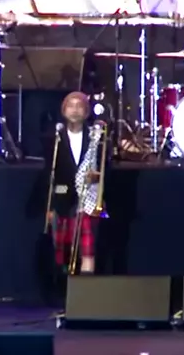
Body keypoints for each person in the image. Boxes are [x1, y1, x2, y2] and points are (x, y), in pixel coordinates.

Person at [45, 91, 104, 275]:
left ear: (86, 112)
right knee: (61, 253)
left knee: (88, 250)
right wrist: (49, 206)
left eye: (80, 106)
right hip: (63, 201)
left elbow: (106, 168)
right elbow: (49, 173)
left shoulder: (96, 137)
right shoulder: (55, 138)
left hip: (88, 200)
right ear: (64, 111)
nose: (75, 110)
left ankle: (86, 288)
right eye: (71, 106)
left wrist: (96, 177)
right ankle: (62, 287)